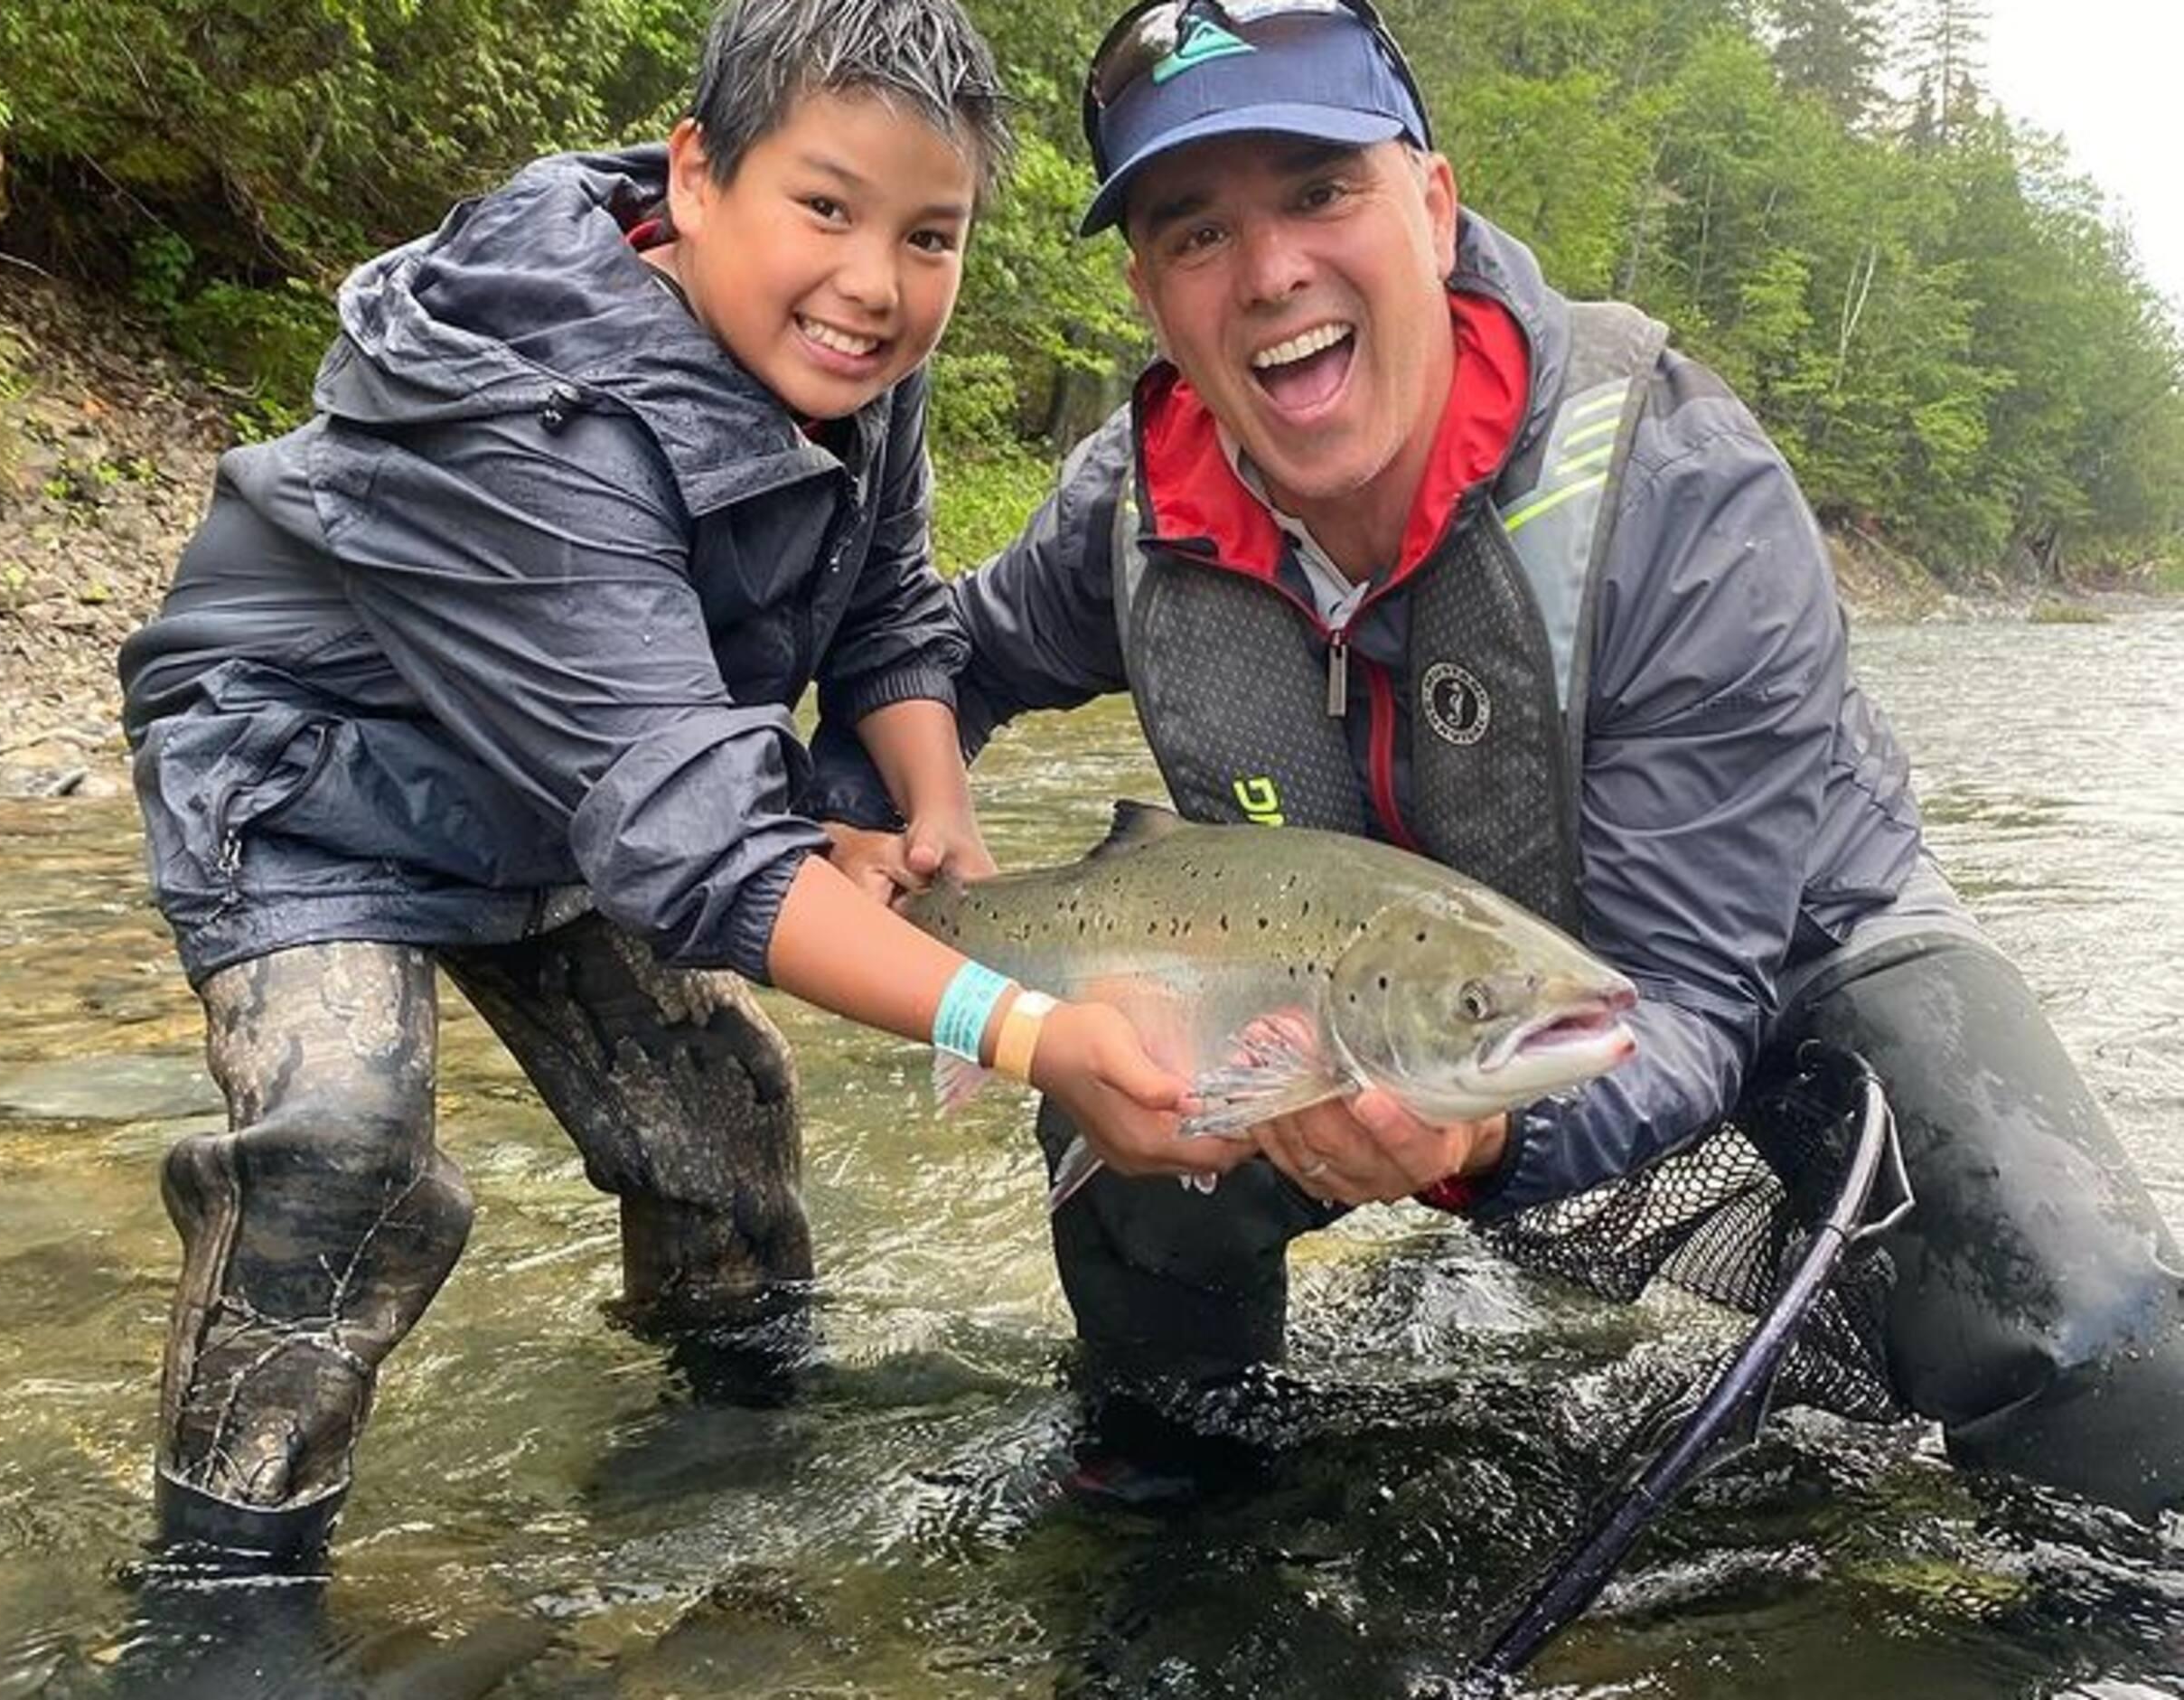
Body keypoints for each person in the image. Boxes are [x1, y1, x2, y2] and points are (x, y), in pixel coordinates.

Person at [821, 0, 2184, 1518]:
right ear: (1150, 292)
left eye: (1322, 190)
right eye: (1197, 232)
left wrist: (1475, 1128)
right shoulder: (1134, 508)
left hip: (1785, 953)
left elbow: (1698, 983)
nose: (1271, 272)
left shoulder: (1676, 490)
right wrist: (876, 811)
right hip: (1363, 983)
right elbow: (939, 661)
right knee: (1114, 1117)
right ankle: (1180, 1520)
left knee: (2095, 1334)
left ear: (1434, 203)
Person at [117, 0, 1249, 1566]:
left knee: (726, 1116)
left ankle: (720, 1451)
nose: (874, 283)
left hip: (572, 787)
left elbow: (885, 610)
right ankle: (222, 1577)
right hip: (310, 771)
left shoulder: (851, 357)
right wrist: (1030, 1028)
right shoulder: (531, 410)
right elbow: (700, 842)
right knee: (345, 1148)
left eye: (933, 235)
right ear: (700, 173)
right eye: (827, 208)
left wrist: (938, 817)